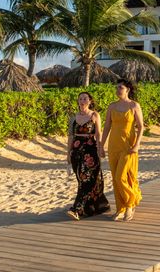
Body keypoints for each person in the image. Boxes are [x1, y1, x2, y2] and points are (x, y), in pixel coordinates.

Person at [99, 79, 143, 222]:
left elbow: (141, 127)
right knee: (115, 178)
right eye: (116, 88)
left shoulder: (134, 105)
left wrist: (137, 145)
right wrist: (101, 145)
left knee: (122, 177)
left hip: (128, 146)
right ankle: (120, 208)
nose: (117, 90)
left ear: (127, 90)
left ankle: (130, 203)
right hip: (113, 145)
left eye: (120, 88)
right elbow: (106, 127)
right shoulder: (112, 106)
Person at [66, 92, 110, 220]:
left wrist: (100, 148)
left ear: (90, 101)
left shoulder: (94, 115)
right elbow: (70, 136)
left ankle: (77, 209)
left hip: (90, 150)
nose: (82, 101)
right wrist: (68, 153)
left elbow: (98, 134)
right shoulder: (73, 118)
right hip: (76, 151)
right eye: (80, 99)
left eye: (85, 98)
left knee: (88, 179)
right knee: (81, 179)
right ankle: (94, 206)